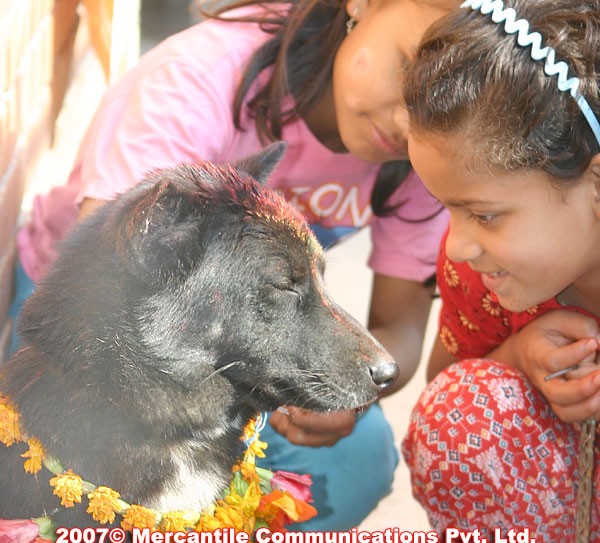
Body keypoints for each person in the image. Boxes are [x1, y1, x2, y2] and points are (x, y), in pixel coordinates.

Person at [7, 0, 460, 530]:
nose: (407, 121)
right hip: (95, 349)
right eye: (405, 67)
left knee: (355, 457)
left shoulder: (420, 154)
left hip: (226, 338)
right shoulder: (194, 81)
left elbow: (400, 328)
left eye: (436, 101)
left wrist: (332, 389)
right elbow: (114, 298)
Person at [399, 0, 600, 540]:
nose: (458, 245)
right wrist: (519, 357)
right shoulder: (480, 272)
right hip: (565, 510)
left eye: (484, 215)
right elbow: (447, 389)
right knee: (458, 411)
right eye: (446, 208)